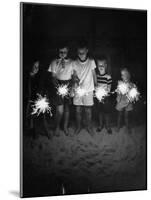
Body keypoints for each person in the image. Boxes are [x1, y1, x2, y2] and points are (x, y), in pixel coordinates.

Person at [48, 44, 74, 136]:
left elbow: (73, 76)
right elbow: (53, 77)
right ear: (58, 52)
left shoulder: (71, 62)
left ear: (68, 52)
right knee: (59, 110)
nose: (63, 54)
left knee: (67, 109)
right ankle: (57, 127)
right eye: (61, 52)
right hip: (58, 85)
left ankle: (65, 127)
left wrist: (71, 88)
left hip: (68, 84)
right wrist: (58, 87)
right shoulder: (54, 62)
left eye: (65, 52)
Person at [72, 42, 97, 136]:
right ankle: (78, 127)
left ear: (87, 51)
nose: (81, 55)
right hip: (78, 90)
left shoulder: (91, 62)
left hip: (89, 90)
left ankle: (89, 127)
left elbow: (94, 74)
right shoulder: (74, 63)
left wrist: (96, 86)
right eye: (79, 53)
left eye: (83, 53)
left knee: (88, 110)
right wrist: (75, 79)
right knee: (78, 110)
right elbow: (74, 75)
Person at [95, 56, 112, 134]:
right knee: (100, 112)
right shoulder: (96, 76)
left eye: (103, 65)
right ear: (97, 66)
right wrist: (97, 93)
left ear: (106, 66)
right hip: (98, 98)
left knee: (107, 112)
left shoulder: (108, 77)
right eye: (99, 65)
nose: (101, 67)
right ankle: (100, 125)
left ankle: (108, 126)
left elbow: (109, 89)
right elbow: (95, 87)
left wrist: (104, 94)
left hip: (106, 98)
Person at [116, 68, 134, 133]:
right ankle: (118, 126)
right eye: (121, 75)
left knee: (127, 116)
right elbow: (118, 92)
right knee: (119, 115)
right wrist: (118, 97)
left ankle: (127, 127)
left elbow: (133, 94)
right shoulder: (120, 83)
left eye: (123, 75)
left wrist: (130, 99)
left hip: (128, 101)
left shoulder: (131, 84)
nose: (121, 76)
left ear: (127, 75)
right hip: (121, 101)